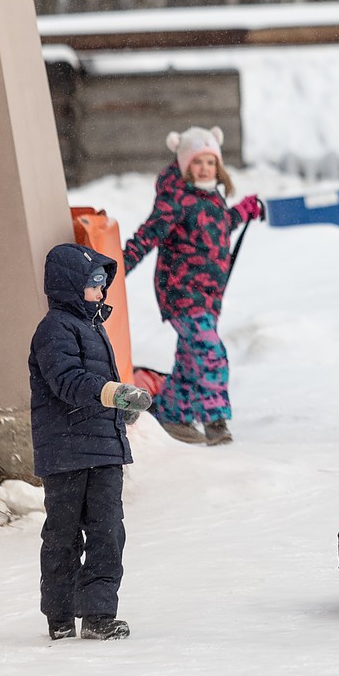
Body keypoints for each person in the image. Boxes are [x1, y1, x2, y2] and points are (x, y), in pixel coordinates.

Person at [29, 243, 153, 640]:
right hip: (65, 452)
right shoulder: (55, 329)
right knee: (63, 535)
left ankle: (99, 614)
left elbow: (94, 385)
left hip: (101, 449)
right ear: (69, 286)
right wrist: (114, 393)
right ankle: (60, 616)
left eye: (103, 284)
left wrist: (120, 409)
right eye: (94, 285)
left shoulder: (92, 326)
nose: (101, 293)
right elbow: (67, 381)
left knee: (107, 531)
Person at [123, 126, 263, 445]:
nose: (204, 168)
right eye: (197, 162)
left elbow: (220, 226)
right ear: (185, 164)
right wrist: (119, 265)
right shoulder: (175, 200)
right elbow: (148, 235)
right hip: (181, 294)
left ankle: (174, 414)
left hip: (208, 296)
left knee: (190, 357)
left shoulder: (211, 197)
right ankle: (215, 420)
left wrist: (243, 210)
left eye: (210, 162)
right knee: (210, 351)